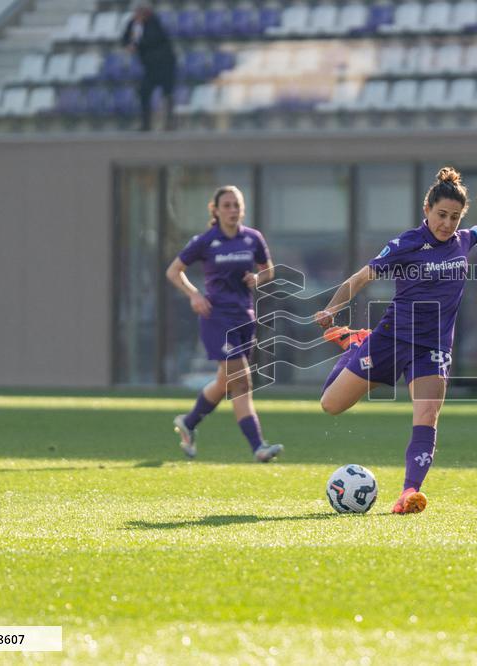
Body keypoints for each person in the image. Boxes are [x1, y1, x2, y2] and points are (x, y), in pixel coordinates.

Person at [314, 156, 477, 514]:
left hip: (433, 348)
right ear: (427, 209)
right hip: (390, 340)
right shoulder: (406, 244)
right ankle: (357, 342)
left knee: (426, 416)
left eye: (454, 217)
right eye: (442, 215)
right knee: (331, 405)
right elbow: (360, 278)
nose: (447, 223)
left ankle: (409, 492)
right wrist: (332, 309)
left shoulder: (463, 241)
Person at [165, 186, 283, 463]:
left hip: (245, 317)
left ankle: (189, 422)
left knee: (225, 382)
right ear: (215, 210)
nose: (232, 210)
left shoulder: (252, 238)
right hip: (217, 318)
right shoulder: (206, 241)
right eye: (227, 205)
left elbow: (268, 270)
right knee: (241, 382)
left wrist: (258, 279)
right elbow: (174, 271)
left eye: (236, 205)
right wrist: (194, 295)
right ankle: (258, 447)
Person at [121, 2, 177, 132]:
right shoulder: (134, 24)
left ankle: (169, 122)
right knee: (144, 93)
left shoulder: (154, 22)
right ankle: (146, 124)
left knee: (167, 93)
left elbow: (152, 39)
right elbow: (125, 38)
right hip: (149, 67)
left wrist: (136, 45)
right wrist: (128, 45)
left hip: (164, 64)